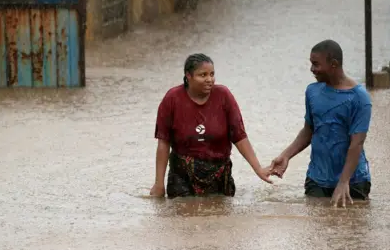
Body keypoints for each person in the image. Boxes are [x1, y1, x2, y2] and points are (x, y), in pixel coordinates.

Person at [150, 53, 273, 198]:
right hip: (182, 177)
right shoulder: (172, 99)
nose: (209, 79)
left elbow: (239, 136)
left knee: (218, 217)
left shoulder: (224, 96)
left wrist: (258, 169)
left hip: (219, 175)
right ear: (188, 76)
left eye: (212, 74)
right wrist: (159, 184)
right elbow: (163, 143)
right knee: (183, 216)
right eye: (203, 75)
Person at [269, 40, 372, 208]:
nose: (312, 69)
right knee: (317, 229)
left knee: (351, 229)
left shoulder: (360, 98)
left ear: (334, 64)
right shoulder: (312, 91)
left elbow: (357, 143)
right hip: (317, 180)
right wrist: (286, 155)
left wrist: (343, 181)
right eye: (311, 64)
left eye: (316, 64)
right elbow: (309, 130)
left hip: (353, 181)